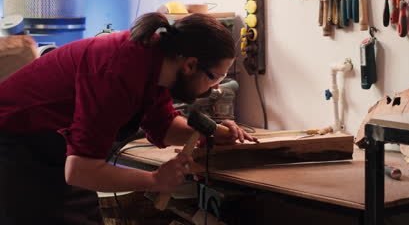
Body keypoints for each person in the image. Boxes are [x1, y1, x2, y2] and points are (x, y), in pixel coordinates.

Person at [0, 12, 256, 224]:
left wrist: (215, 133)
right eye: (215, 78)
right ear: (190, 65)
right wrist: (155, 180)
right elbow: (80, 171)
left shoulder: (155, 63)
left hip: (49, 148)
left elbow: (164, 127)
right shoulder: (117, 74)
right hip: (15, 146)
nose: (215, 89)